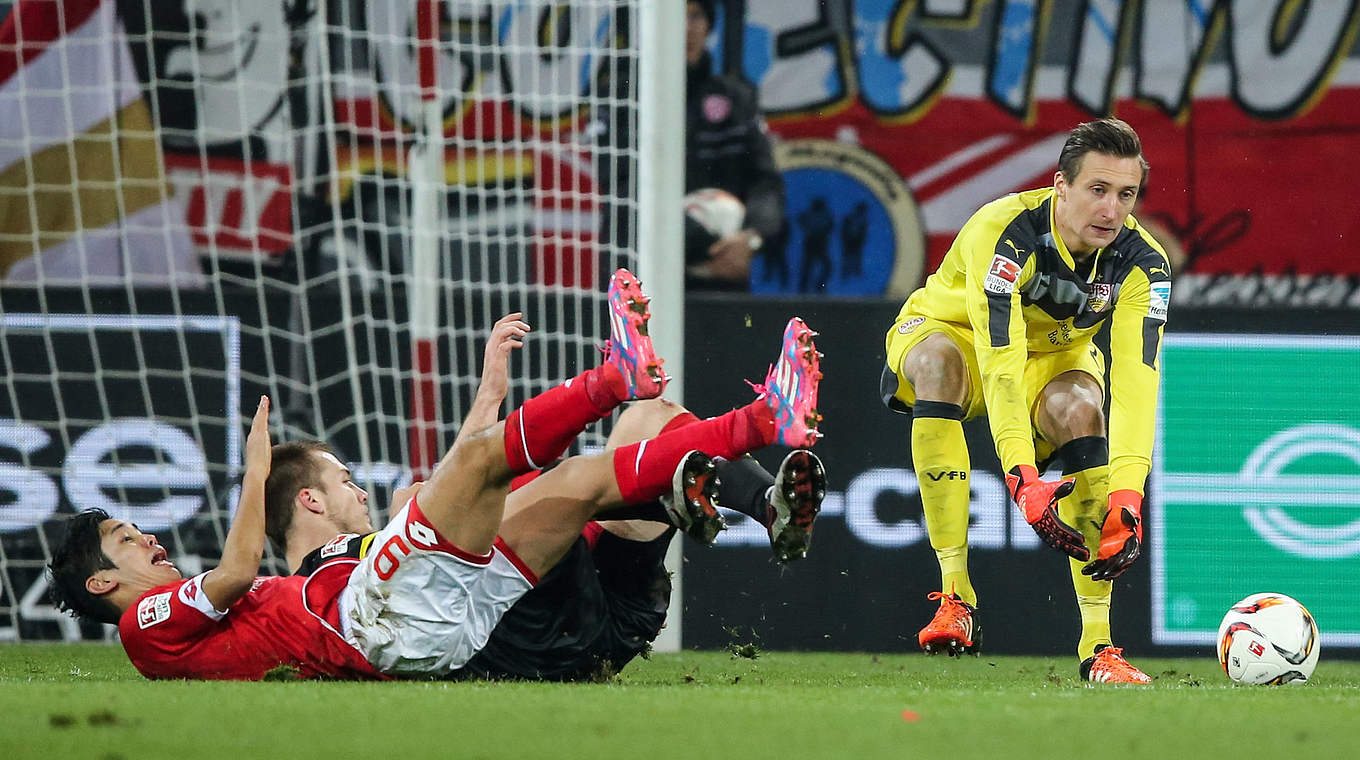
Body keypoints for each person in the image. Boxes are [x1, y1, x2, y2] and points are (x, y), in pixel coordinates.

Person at [47, 269, 824, 680]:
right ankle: (621, 387)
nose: (146, 536)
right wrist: (253, 473)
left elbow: (454, 507)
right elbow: (237, 566)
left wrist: (488, 394)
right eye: (124, 539)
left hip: (445, 611)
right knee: (440, 488)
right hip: (404, 624)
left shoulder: (283, 596)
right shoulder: (152, 627)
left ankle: (757, 430)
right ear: (102, 584)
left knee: (580, 473)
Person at [272, 312, 828, 682]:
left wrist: (489, 395)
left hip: (605, 618)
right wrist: (255, 482)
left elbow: (456, 493)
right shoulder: (310, 597)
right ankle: (671, 470)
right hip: (520, 638)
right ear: (309, 502)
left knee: (648, 417)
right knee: (430, 498)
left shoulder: (377, 558)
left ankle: (768, 508)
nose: (355, 488)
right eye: (342, 480)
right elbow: (447, 502)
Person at [880, 118, 1170, 683]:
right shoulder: (1005, 232)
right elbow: (1000, 360)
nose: (1112, 211)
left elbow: (1138, 379)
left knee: (1084, 405)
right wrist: (1021, 474)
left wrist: (1129, 494)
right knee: (940, 364)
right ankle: (955, 597)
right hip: (956, 334)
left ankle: (1100, 648)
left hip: (1055, 357)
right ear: (1060, 185)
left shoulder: (1142, 262)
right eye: (1098, 190)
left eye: (1126, 194)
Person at [683, 0, 785, 291]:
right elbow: (622, 189)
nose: (687, 28)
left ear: (709, 26)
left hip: (723, 272)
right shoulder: (627, 100)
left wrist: (749, 239)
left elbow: (765, 182)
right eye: (676, 16)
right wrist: (702, 242)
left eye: (696, 15)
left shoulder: (736, 99)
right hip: (646, 272)